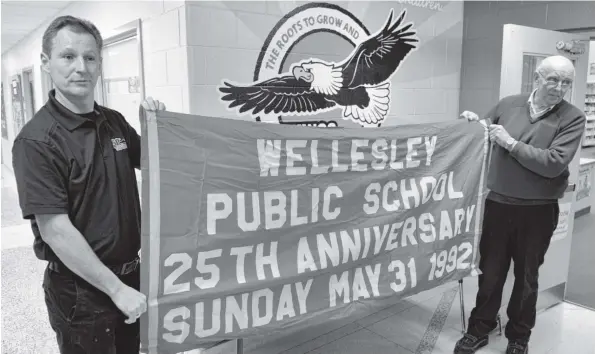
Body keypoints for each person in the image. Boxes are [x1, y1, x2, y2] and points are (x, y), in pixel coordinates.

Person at [11, 15, 166, 353]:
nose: (81, 67)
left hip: (130, 276)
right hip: (81, 291)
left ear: (99, 64)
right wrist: (116, 290)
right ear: (46, 63)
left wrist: (158, 126)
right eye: (68, 56)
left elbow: (157, 162)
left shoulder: (113, 122)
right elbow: (55, 230)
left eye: (90, 57)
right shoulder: (37, 141)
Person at [454, 55, 586, 354]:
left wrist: (511, 144)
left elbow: (553, 164)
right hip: (498, 205)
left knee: (527, 277)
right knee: (490, 271)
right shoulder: (508, 104)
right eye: (553, 79)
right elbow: (485, 133)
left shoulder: (573, 117)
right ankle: (480, 328)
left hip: (538, 210)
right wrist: (474, 124)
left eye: (566, 82)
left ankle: (519, 337)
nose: (559, 87)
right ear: (537, 77)